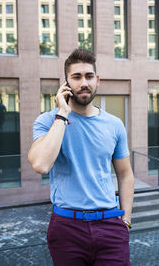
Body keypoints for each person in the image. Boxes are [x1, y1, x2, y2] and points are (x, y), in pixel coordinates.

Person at [28, 48, 134, 266]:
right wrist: (62, 114)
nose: (83, 82)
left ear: (98, 80)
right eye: (76, 77)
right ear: (66, 83)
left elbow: (125, 175)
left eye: (89, 76)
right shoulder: (47, 121)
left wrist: (126, 220)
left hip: (110, 224)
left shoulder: (114, 125)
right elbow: (40, 164)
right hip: (67, 228)